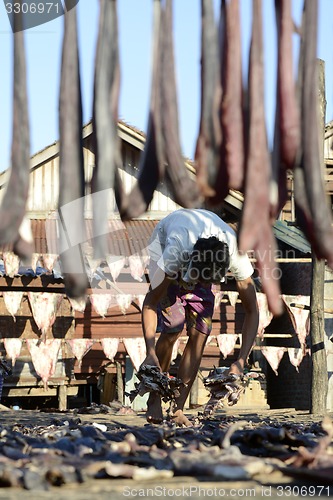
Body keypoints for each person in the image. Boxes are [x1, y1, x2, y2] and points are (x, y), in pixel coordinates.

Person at [141, 208, 259, 426]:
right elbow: (150, 303)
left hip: (201, 256)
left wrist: (241, 360)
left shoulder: (236, 253)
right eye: (195, 277)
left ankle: (177, 408)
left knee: (200, 335)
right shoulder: (175, 249)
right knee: (172, 329)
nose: (194, 284)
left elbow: (252, 310)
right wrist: (149, 352)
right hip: (163, 245)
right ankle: (155, 397)